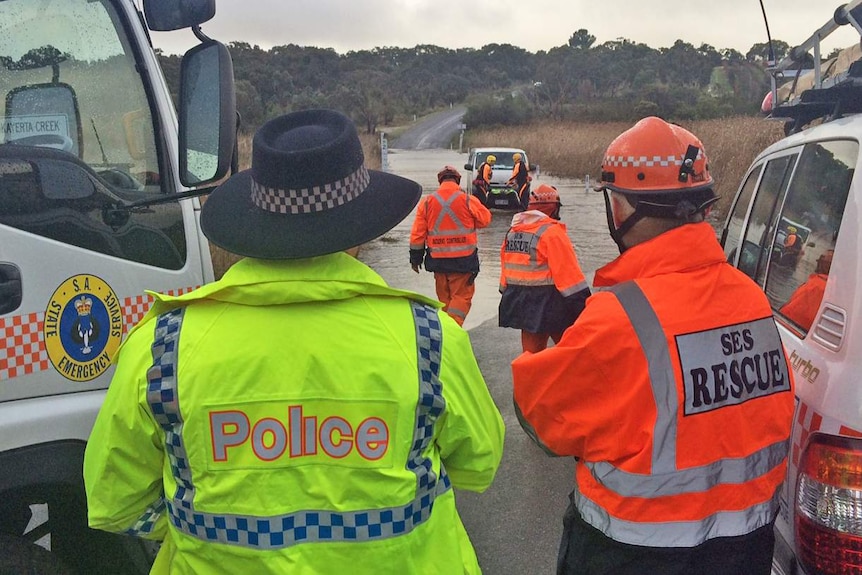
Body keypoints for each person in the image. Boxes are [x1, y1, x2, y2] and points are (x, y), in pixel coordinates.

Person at [83, 109, 505, 575]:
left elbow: (115, 502)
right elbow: (478, 465)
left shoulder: (163, 346)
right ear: (359, 229)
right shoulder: (430, 340)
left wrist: (199, 530)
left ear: (254, 220)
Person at [511, 116, 794, 575]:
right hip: (747, 549)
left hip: (629, 553)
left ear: (620, 209)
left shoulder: (617, 318)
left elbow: (540, 422)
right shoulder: (752, 298)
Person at [499, 184, 590, 352]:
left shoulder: (512, 232)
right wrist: (585, 306)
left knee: (530, 357)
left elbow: (506, 272)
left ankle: (529, 378)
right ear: (553, 208)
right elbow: (569, 278)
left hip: (521, 302)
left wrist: (507, 293)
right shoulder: (552, 233)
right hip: (551, 304)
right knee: (572, 352)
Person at [410, 165, 492, 326]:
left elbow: (417, 234)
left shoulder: (426, 202)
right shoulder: (468, 199)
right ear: (458, 180)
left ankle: (445, 330)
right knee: (461, 299)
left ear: (440, 181)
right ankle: (452, 332)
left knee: (444, 301)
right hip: (463, 261)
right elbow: (485, 220)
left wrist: (415, 259)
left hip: (438, 262)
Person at [780, 248, 833, 330]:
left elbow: (787, 316)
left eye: (821, 259)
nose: (817, 262)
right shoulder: (833, 290)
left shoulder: (815, 286)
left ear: (823, 265)